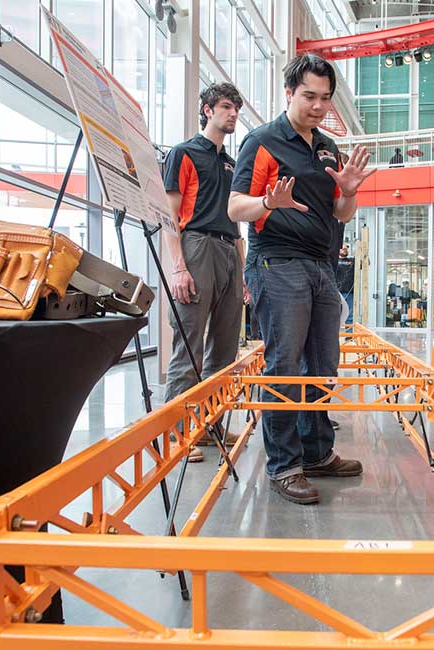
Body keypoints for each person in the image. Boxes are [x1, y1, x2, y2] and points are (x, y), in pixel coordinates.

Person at [229, 54, 376, 504]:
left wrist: (348, 193)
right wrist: (269, 204)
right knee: (284, 367)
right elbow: (236, 208)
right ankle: (284, 465)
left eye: (325, 99)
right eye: (309, 96)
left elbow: (341, 213)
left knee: (322, 365)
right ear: (289, 92)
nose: (318, 106)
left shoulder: (329, 147)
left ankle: (316, 452)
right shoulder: (262, 142)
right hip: (276, 262)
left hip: (322, 265)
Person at [162, 83, 246, 462]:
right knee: (190, 344)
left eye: (236, 109)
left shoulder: (232, 163)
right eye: (227, 106)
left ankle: (210, 424)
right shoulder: (183, 153)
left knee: (225, 348)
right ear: (208, 109)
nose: (233, 114)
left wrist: (242, 272)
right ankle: (177, 433)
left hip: (230, 248)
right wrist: (179, 267)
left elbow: (237, 218)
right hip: (196, 246)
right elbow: (168, 215)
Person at [336, 242, 355, 326]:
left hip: (349, 292)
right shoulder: (334, 261)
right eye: (342, 248)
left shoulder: (352, 261)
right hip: (337, 293)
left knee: (350, 317)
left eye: (346, 247)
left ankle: (349, 338)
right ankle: (334, 337)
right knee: (335, 315)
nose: (344, 249)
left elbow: (366, 262)